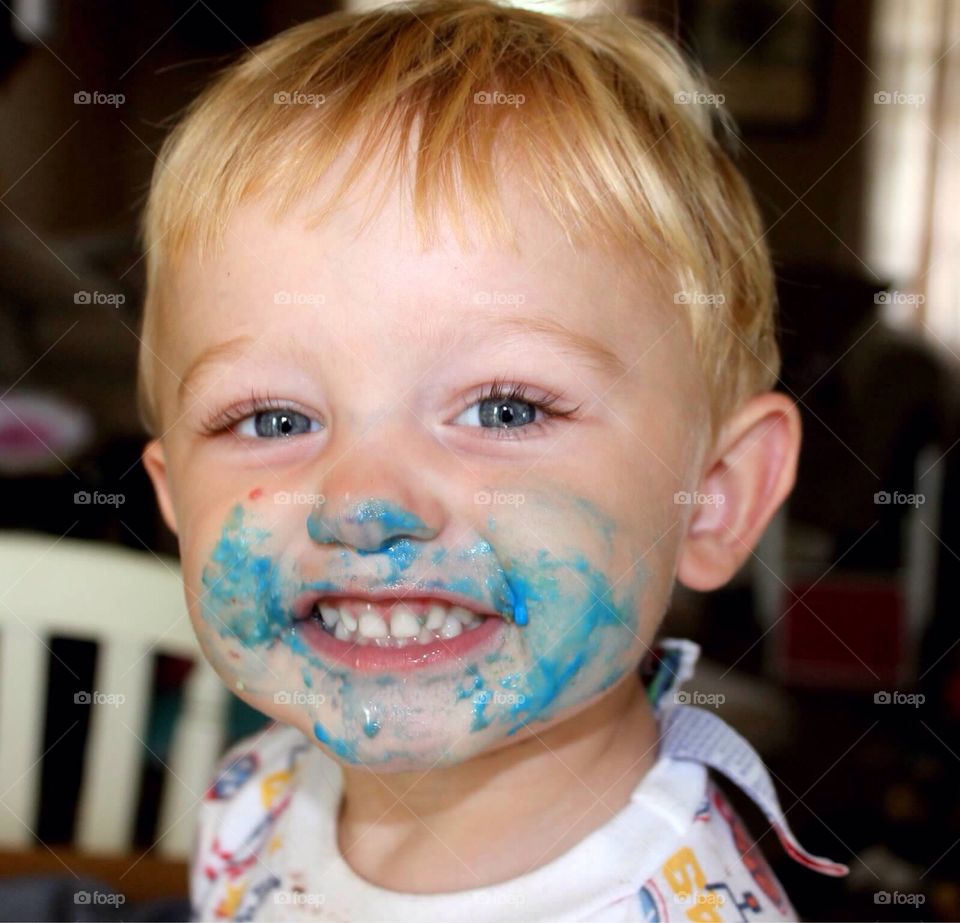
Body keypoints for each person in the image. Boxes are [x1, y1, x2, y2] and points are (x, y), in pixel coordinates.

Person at [138, 2, 848, 918]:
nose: (362, 500)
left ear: (713, 498)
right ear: (173, 498)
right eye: (273, 419)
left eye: (503, 408)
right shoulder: (250, 801)